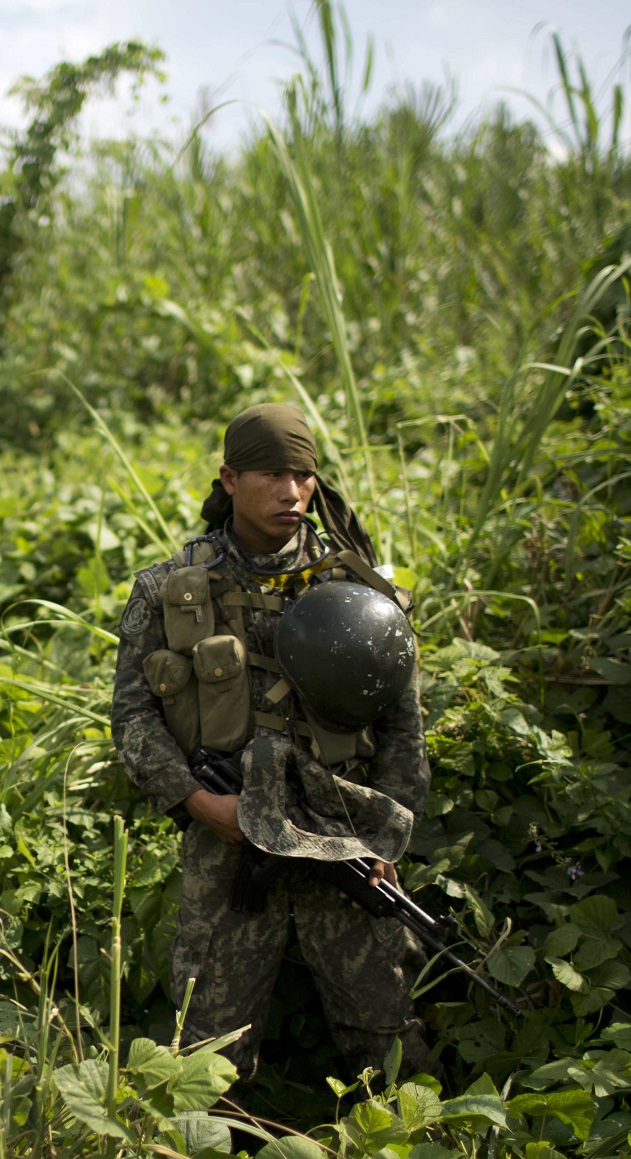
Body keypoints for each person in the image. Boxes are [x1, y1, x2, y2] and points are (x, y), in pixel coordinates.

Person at [110, 402, 433, 1079]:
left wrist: (386, 836)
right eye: (273, 474)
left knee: (387, 1033)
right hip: (226, 843)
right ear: (229, 478)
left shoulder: (357, 588)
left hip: (342, 835)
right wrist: (202, 804)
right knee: (204, 1054)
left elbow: (402, 723)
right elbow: (133, 721)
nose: (292, 492)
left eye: (304, 475)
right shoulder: (169, 590)